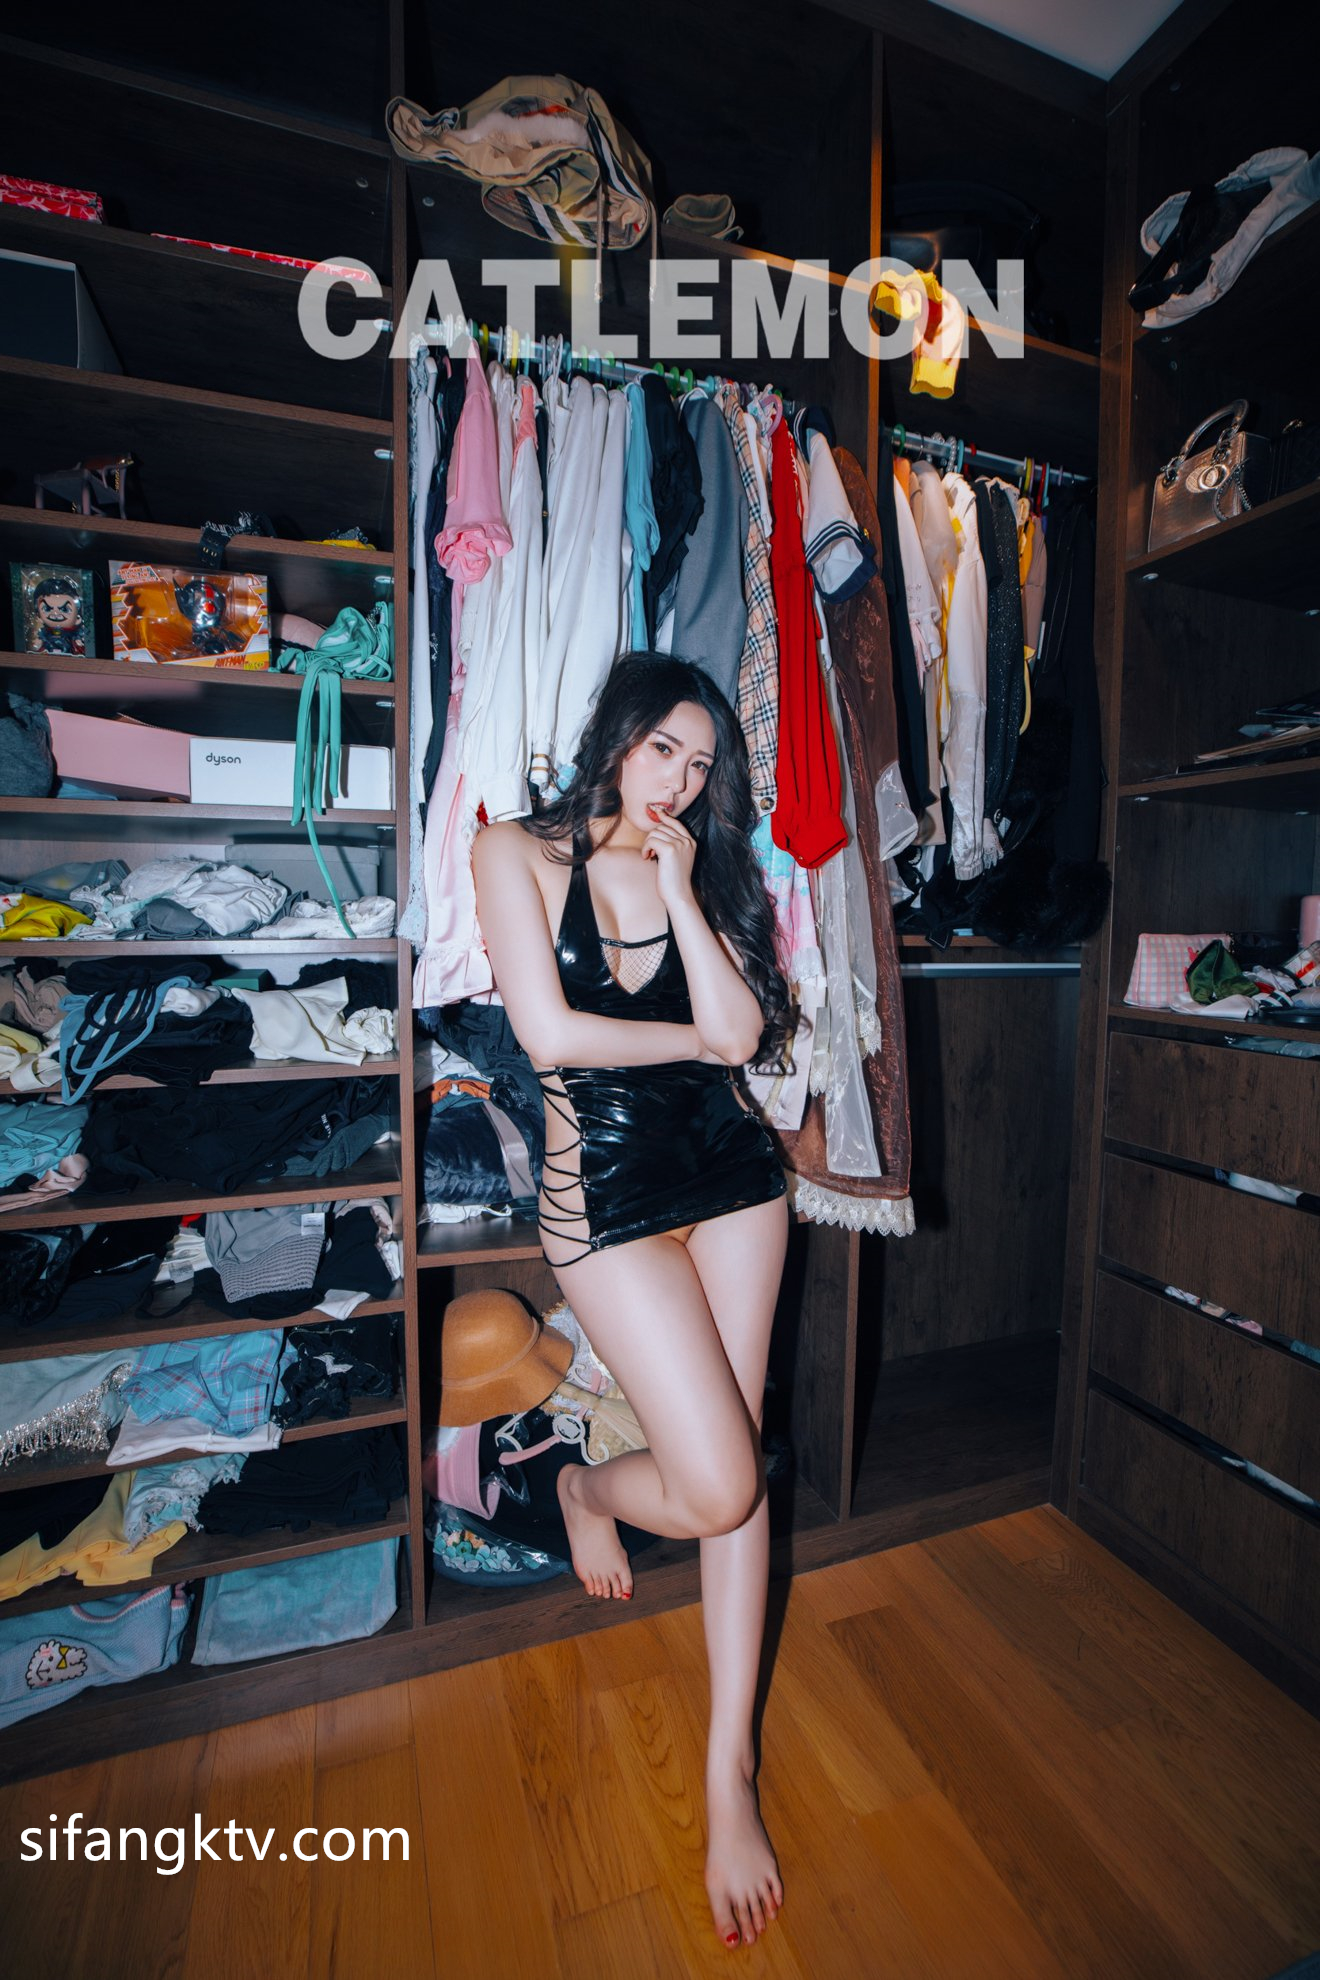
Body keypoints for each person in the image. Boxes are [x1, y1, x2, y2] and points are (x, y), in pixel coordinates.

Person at [473, 654, 793, 1952]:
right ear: (615, 736)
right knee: (715, 1486)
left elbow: (742, 1036)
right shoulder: (512, 851)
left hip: (732, 1179)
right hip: (602, 1198)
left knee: (741, 1477)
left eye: (703, 765)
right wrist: (703, 1042)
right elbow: (551, 1039)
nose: (683, 779)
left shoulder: (689, 868)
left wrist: (681, 890)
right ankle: (585, 1486)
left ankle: (727, 1774)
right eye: (665, 748)